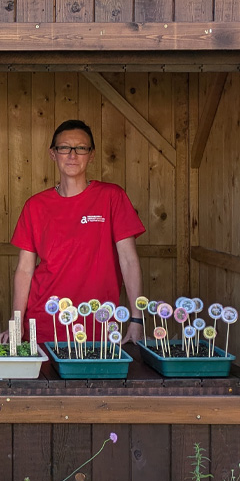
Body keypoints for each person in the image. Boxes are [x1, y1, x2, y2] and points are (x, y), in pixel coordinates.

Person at [11, 119, 146, 344]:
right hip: (44, 322)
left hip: (98, 322)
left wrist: (136, 318)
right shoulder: (35, 206)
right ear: (53, 154)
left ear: (91, 155)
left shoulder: (111, 197)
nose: (72, 155)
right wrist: (15, 323)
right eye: (64, 148)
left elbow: (129, 260)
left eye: (81, 148)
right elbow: (24, 270)